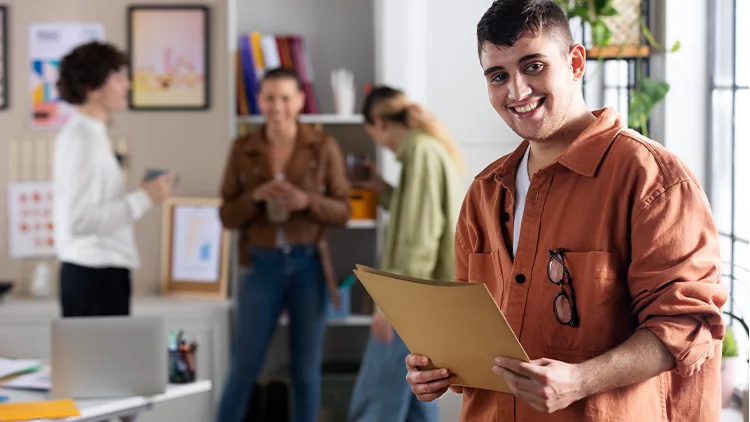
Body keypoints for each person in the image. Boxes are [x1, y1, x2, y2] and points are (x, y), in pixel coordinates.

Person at [404, 1, 727, 421]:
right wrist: (439, 369)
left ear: (575, 62)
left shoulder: (653, 178)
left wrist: (581, 381)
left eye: (533, 66)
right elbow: (475, 338)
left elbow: (688, 325)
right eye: (499, 76)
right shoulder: (484, 193)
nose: (517, 92)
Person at [216, 67, 351, 422]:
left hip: (309, 264)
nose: (277, 106)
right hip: (261, 265)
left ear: (300, 101)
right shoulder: (243, 148)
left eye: (285, 98)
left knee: (306, 368)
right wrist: (256, 197)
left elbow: (343, 210)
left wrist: (306, 202)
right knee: (245, 365)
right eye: (269, 98)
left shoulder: (322, 146)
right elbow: (227, 216)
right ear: (259, 101)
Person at [347, 86, 465, 422]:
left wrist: (389, 305)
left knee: (377, 403)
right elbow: (418, 215)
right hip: (427, 299)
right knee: (417, 402)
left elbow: (418, 238)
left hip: (412, 300)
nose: (378, 141)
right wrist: (382, 189)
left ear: (379, 123)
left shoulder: (421, 152)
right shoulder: (427, 149)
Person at [53, 41, 173, 318]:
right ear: (92, 88)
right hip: (94, 275)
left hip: (99, 272)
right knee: (99, 361)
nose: (127, 85)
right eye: (117, 78)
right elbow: (80, 220)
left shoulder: (90, 135)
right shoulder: (83, 140)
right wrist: (145, 198)